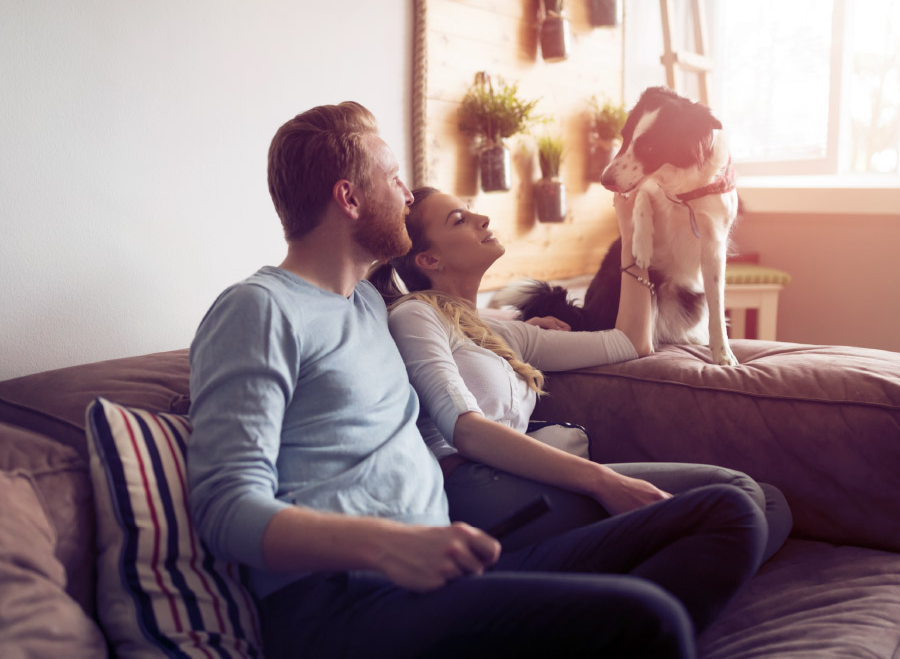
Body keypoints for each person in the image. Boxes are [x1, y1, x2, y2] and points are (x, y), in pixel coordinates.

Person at [188, 101, 769, 659]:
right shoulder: (258, 308)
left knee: (730, 511)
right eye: (393, 179)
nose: (407, 193)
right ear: (349, 198)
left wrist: (525, 320)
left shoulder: (368, 306)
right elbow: (223, 507)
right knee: (651, 618)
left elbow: (463, 322)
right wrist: (387, 544)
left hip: (453, 573)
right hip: (345, 601)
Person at [369, 186, 791, 560]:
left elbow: (629, 342)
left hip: (524, 479)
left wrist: (633, 237)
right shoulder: (416, 315)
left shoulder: (502, 332)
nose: (482, 218)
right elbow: (465, 430)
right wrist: (604, 482)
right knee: (739, 497)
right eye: (458, 219)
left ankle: (624, 584)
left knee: (770, 502)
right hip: (475, 487)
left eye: (470, 210)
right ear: (429, 259)